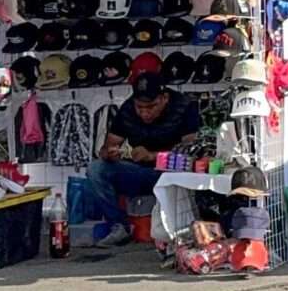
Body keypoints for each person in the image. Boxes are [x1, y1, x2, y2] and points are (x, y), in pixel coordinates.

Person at [83, 60, 202, 247]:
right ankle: (119, 227)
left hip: (172, 174)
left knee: (188, 171)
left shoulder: (184, 107)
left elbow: (193, 153)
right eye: (140, 107)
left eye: (151, 107)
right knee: (96, 169)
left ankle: (185, 231)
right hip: (139, 173)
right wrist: (110, 154)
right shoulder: (128, 109)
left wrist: (152, 156)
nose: (144, 113)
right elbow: (107, 147)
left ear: (164, 98)